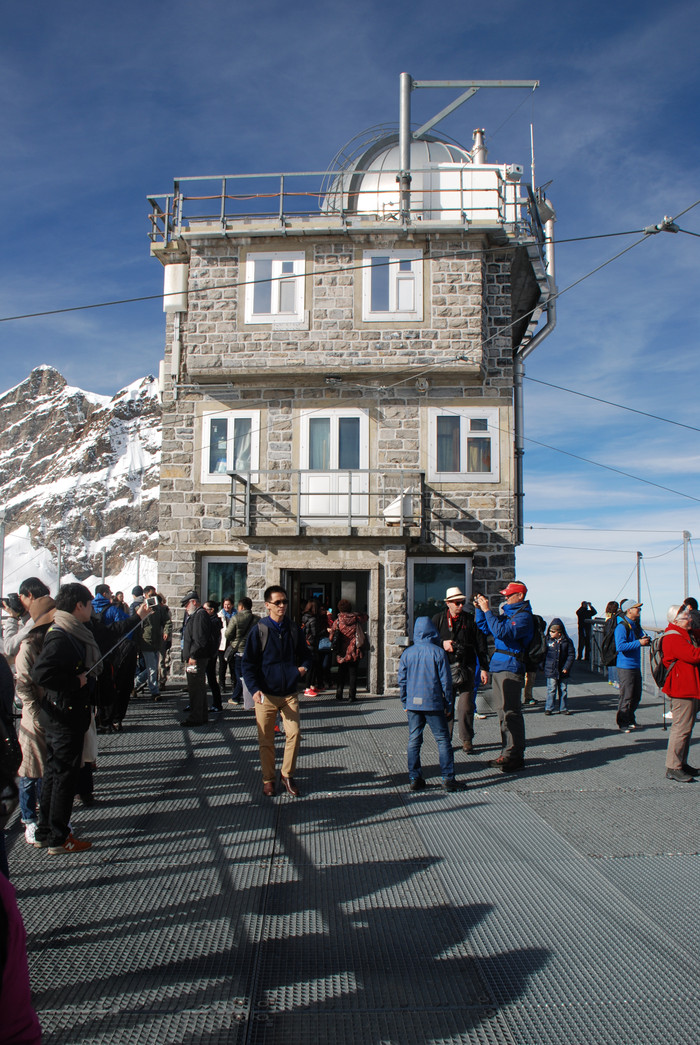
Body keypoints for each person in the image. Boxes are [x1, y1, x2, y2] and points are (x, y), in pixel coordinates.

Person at [31, 583, 151, 854]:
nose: (92, 611)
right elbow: (41, 674)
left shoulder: (74, 630)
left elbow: (109, 634)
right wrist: (76, 681)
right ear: (79, 607)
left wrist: (138, 618)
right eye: (88, 605)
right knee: (63, 776)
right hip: (65, 713)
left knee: (53, 773)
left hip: (61, 712)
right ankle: (60, 837)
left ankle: (45, 830)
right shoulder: (62, 636)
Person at [242, 585, 311, 797]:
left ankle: (287, 775)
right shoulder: (259, 630)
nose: (282, 606)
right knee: (266, 740)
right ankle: (268, 779)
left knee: (295, 734)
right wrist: (254, 689)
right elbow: (248, 663)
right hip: (265, 694)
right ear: (267, 605)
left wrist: (302, 670)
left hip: (289, 692)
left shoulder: (292, 629)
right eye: (278, 602)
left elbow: (307, 655)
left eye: (285, 602)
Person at [475, 581, 533, 773]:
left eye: (509, 595)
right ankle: (508, 752)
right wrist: (480, 611)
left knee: (510, 712)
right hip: (500, 667)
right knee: (502, 711)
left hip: (511, 666)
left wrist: (488, 611)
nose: (505, 598)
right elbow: (485, 628)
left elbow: (501, 632)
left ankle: (514, 755)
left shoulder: (523, 617)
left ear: (520, 596)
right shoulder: (509, 614)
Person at [14, 591, 55, 844]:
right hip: (34, 716)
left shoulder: (50, 643)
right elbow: (24, 686)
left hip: (49, 713)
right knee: (30, 773)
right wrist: (35, 712)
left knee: (46, 770)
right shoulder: (28, 647)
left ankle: (44, 816)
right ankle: (28, 819)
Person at [399, 617, 458, 791]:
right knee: (442, 740)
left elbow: (402, 681)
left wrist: (405, 701)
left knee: (414, 740)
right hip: (433, 702)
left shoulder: (407, 653)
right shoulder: (438, 652)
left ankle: (414, 777)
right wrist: (448, 704)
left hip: (413, 703)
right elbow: (446, 682)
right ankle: (448, 778)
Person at [431, 586, 488, 753]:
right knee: (446, 706)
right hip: (444, 669)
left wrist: (484, 668)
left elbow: (480, 645)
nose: (460, 606)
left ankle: (466, 739)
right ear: (448, 603)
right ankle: (444, 739)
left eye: (462, 602)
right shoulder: (438, 619)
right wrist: (442, 644)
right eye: (457, 603)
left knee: (466, 706)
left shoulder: (470, 620)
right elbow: (427, 642)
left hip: (466, 667)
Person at [660, 604, 700, 782]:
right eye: (686, 618)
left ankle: (681, 763)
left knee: (686, 727)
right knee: (681, 728)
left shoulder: (683, 634)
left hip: (687, 687)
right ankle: (673, 766)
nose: (689, 620)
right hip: (682, 689)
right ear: (676, 620)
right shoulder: (673, 638)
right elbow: (694, 655)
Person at [614, 598, 650, 733]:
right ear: (629, 610)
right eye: (637, 608)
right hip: (625, 666)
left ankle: (630, 719)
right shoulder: (621, 627)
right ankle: (623, 722)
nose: (639, 610)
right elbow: (621, 646)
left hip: (634, 665)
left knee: (636, 694)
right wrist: (639, 643)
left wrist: (644, 641)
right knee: (626, 695)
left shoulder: (634, 625)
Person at [181, 591, 216, 726]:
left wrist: (193, 656)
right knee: (198, 687)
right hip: (196, 657)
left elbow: (199, 639)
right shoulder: (197, 615)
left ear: (194, 602)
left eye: (186, 604)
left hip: (196, 658)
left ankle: (196, 717)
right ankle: (200, 715)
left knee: (195, 687)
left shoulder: (200, 615)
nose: (185, 608)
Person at [134, 585, 166, 701]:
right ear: (145, 595)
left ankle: (135, 684)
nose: (153, 597)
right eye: (151, 595)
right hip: (146, 641)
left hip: (156, 641)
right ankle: (154, 691)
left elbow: (166, 620)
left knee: (152, 668)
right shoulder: (140, 608)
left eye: (154, 595)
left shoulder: (158, 608)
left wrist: (166, 631)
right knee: (152, 668)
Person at [224, 597, 259, 706]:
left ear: (241, 607)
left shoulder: (236, 618)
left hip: (239, 651)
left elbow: (227, 634)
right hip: (253, 651)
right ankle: (236, 697)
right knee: (248, 675)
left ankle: (251, 698)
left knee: (241, 677)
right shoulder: (257, 619)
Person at [330, 599, 366, 702]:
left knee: (341, 673)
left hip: (342, 651)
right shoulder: (356, 619)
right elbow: (366, 617)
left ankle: (339, 693)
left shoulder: (338, 621)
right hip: (353, 650)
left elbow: (331, 637)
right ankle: (352, 696)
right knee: (353, 674)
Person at [543, 619, 575, 715]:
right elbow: (543, 654)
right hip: (551, 669)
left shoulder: (567, 642)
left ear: (559, 633)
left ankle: (563, 708)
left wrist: (567, 667)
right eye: (550, 631)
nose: (550, 633)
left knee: (563, 689)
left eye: (553, 632)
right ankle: (549, 708)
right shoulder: (547, 641)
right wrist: (542, 666)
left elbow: (571, 655)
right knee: (551, 689)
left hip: (563, 670)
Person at [300, 598, 327, 696]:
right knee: (311, 667)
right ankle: (308, 688)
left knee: (312, 666)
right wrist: (326, 631)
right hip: (312, 644)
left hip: (307, 644)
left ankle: (311, 686)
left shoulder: (304, 617)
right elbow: (316, 633)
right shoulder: (313, 619)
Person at [203, 601, 223, 712]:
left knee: (211, 680)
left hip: (210, 654)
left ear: (212, 610)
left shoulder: (213, 622)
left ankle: (217, 703)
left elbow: (212, 640)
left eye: (206, 609)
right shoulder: (212, 621)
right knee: (210, 679)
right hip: (211, 653)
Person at [217, 596, 236, 693]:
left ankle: (234, 684)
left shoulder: (236, 615)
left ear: (232, 605)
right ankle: (222, 684)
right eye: (225, 605)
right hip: (223, 644)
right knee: (222, 666)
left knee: (233, 666)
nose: (227, 606)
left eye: (228, 604)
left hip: (232, 644)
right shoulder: (219, 615)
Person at [604, 601, 620, 688]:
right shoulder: (615, 618)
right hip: (614, 641)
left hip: (608, 642)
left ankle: (611, 679)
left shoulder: (608, 616)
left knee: (610, 661)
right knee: (614, 661)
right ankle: (616, 681)